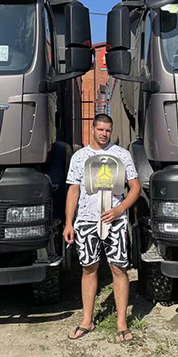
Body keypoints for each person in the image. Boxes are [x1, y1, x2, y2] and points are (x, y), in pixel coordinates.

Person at [63, 114, 141, 343]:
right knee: (89, 268)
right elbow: (73, 191)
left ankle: (121, 323)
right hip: (86, 221)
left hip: (115, 220)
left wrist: (120, 210)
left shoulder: (122, 155)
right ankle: (87, 320)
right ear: (93, 129)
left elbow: (135, 188)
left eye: (108, 130)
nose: (104, 134)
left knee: (118, 268)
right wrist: (69, 223)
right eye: (100, 129)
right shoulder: (80, 157)